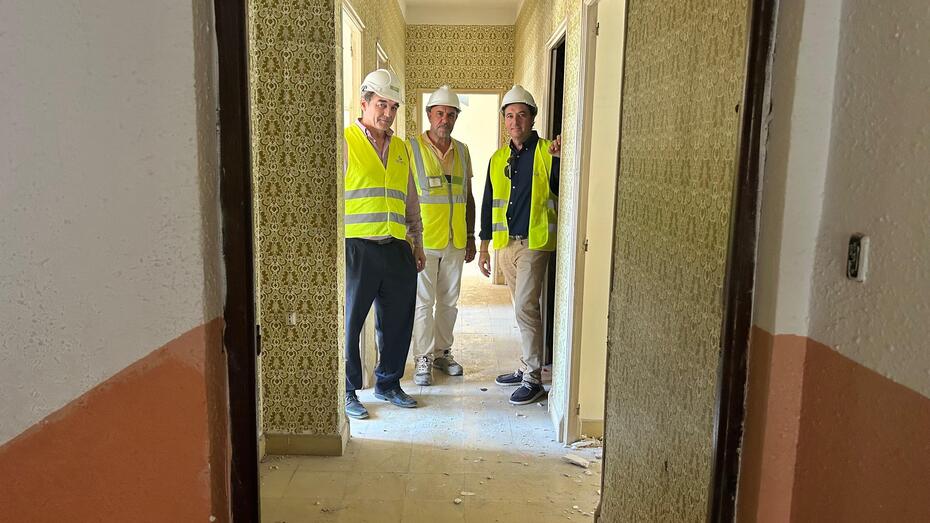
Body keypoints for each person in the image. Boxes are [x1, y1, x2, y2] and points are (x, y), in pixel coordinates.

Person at [343, 68, 427, 419]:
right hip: (357, 247)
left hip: (396, 247)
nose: (388, 113)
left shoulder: (402, 148)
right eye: (382, 104)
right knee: (349, 323)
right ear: (364, 103)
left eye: (393, 107)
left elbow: (411, 200)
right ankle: (348, 390)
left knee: (397, 321)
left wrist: (417, 242)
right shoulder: (345, 141)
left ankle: (389, 383)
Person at [478, 85, 561, 406]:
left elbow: (562, 187)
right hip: (506, 245)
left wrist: (560, 158)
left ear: (532, 118)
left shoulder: (547, 151)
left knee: (526, 306)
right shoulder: (498, 158)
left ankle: (533, 378)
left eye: (522, 115)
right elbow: (489, 202)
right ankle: (527, 365)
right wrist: (484, 247)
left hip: (535, 242)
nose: (515, 121)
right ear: (504, 120)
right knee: (520, 308)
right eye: (510, 116)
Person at [407, 86, 477, 386]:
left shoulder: (462, 150)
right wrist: (410, 239)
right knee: (423, 302)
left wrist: (471, 236)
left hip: (455, 240)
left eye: (451, 114)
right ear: (429, 115)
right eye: (439, 113)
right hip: (423, 241)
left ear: (456, 117)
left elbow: (468, 197)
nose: (444, 120)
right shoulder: (411, 149)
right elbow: (405, 196)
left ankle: (442, 352)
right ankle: (422, 358)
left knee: (449, 301)